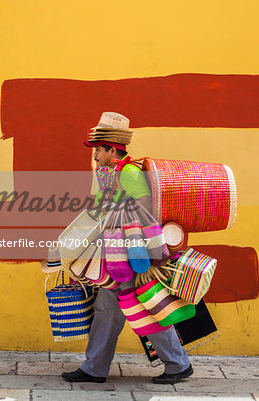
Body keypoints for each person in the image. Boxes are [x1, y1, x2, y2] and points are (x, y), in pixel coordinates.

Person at [61, 112, 193, 385]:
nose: (95, 154)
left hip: (132, 255)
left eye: (99, 149)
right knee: (107, 309)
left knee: (144, 307)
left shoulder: (130, 172)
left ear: (112, 149)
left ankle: (178, 364)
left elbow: (143, 208)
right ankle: (94, 368)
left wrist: (114, 220)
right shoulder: (109, 173)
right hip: (114, 254)